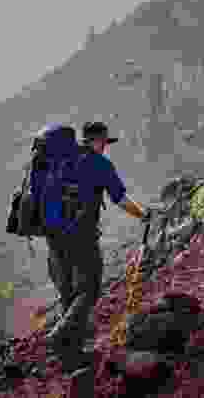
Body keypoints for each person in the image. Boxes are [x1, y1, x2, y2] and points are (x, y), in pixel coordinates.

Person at [42, 121, 153, 372]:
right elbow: (120, 198)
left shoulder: (60, 161)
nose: (105, 147)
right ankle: (58, 336)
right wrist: (142, 214)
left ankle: (71, 357)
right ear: (98, 140)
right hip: (81, 237)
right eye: (104, 142)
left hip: (53, 238)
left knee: (68, 295)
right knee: (89, 290)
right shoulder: (98, 164)